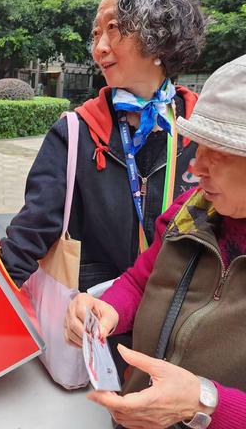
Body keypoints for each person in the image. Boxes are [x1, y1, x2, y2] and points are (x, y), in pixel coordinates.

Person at [65, 55, 246, 429]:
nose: (196, 168)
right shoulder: (192, 209)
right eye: (199, 147)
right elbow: (139, 280)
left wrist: (204, 401)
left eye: (220, 152)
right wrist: (107, 310)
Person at [0, 0, 205, 294]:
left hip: (178, 325)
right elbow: (29, 235)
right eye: (96, 34)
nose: (99, 48)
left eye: (113, 28)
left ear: (159, 33)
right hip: (93, 323)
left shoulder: (203, 133)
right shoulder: (76, 132)